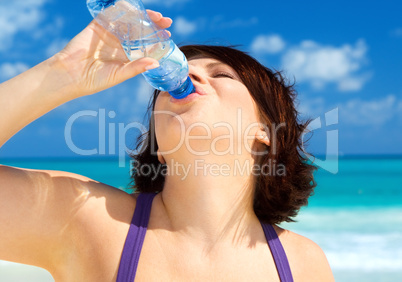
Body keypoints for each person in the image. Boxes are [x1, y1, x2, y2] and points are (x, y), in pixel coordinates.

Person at [0, 10, 334, 282]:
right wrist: (63, 72)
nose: (191, 75)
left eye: (222, 74)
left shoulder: (302, 263)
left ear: (265, 130)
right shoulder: (86, 219)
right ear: (160, 146)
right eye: (184, 70)